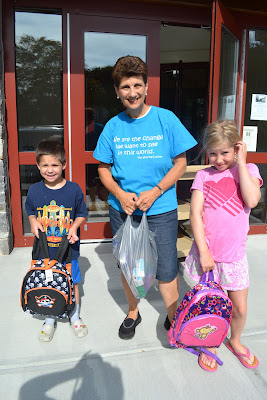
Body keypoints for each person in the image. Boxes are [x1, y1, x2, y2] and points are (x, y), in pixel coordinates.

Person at [93, 55, 197, 340]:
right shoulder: (113, 126)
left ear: (147, 87)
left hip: (161, 209)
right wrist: (119, 193)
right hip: (124, 211)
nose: (132, 92)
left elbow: (180, 163)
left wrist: (156, 191)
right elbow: (103, 169)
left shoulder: (166, 119)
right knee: (131, 268)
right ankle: (133, 312)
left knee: (166, 268)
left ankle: (174, 317)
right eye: (125, 87)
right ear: (117, 92)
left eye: (137, 85)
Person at [184, 120, 262, 371]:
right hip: (207, 257)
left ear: (237, 149)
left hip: (234, 257)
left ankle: (235, 341)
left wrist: (241, 162)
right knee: (209, 308)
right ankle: (210, 342)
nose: (219, 159)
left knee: (238, 307)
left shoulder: (248, 169)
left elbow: (252, 199)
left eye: (225, 152)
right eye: (213, 153)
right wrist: (204, 252)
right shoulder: (203, 175)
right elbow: (195, 214)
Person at [25, 139, 88, 342]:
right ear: (38, 166)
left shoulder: (73, 189)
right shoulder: (34, 190)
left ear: (64, 165)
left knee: (73, 283)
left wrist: (74, 226)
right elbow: (30, 210)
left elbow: (82, 213)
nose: (50, 170)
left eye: (54, 165)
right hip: (44, 252)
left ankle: (74, 316)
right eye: (45, 165)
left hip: (68, 251)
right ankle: (50, 319)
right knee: (48, 284)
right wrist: (33, 221)